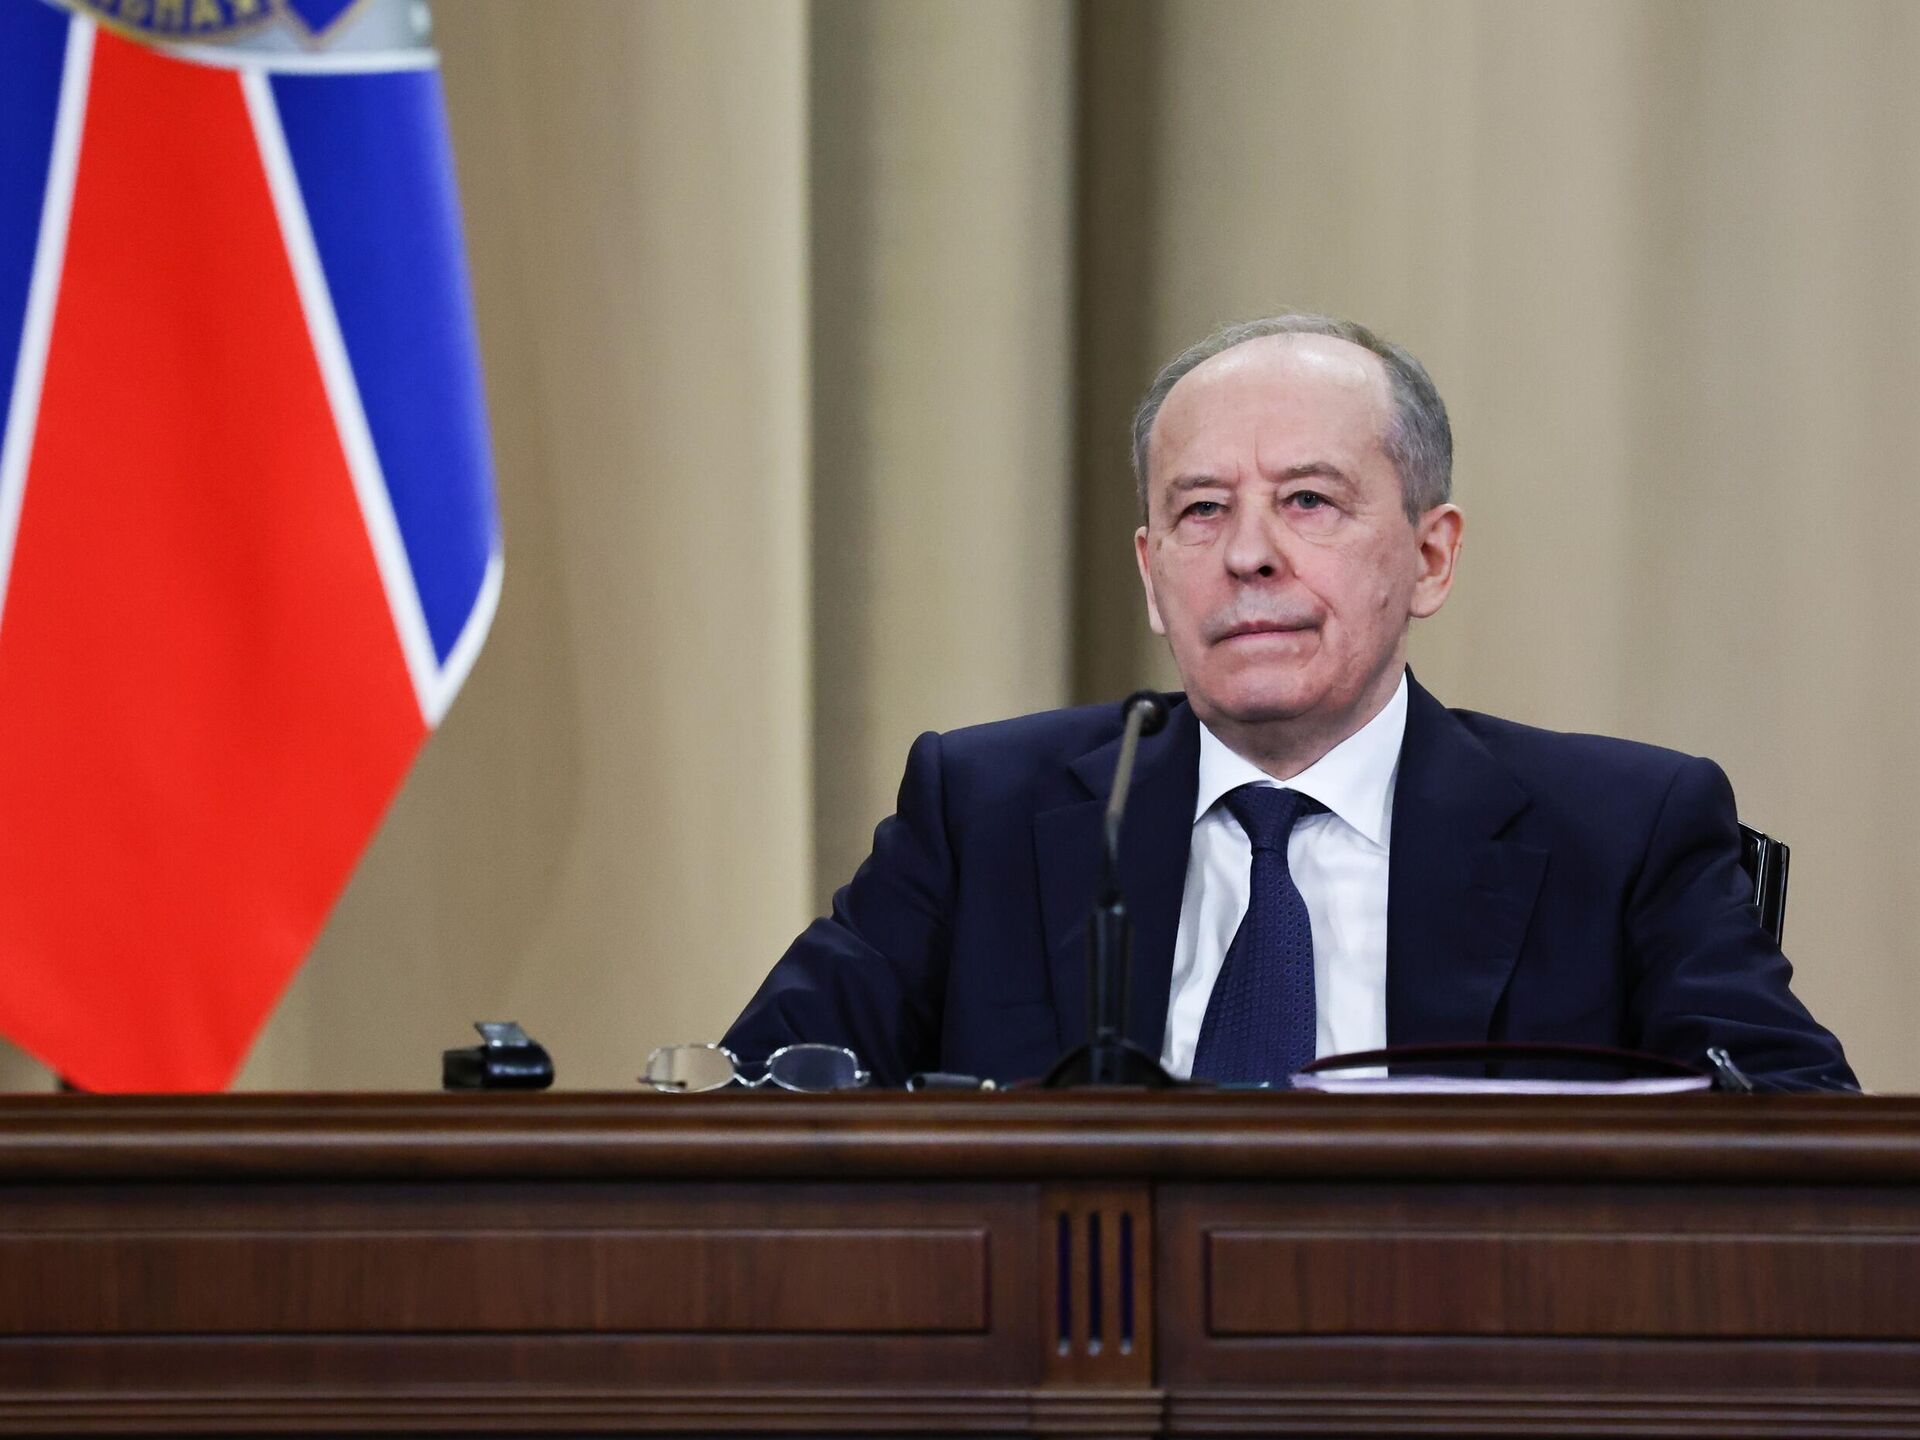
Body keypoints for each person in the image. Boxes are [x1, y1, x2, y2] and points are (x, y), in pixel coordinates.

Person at [725, 314, 1855, 1091]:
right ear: (1152, 573)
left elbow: (1798, 1140)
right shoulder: (985, 811)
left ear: (1430, 557)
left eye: (1309, 501)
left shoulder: (1623, 831)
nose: (1249, 555)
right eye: (1202, 510)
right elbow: (758, 1099)